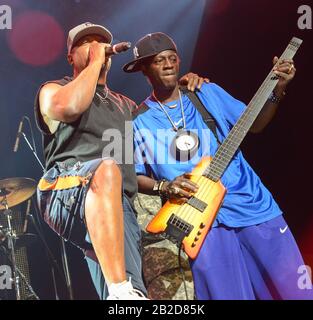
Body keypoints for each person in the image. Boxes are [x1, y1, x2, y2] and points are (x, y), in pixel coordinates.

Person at [124, 32, 313, 299]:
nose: (168, 65)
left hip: (253, 206)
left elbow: (255, 124)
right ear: (144, 69)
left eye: (172, 58)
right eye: (158, 61)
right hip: (202, 226)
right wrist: (165, 186)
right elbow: (133, 177)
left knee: (295, 292)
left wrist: (279, 88)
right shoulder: (137, 121)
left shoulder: (204, 92)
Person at [34, 23, 204, 300]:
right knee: (107, 169)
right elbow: (69, 108)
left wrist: (183, 89)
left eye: (101, 43)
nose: (96, 47)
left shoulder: (126, 106)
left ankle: (121, 291)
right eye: (86, 43)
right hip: (66, 189)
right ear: (70, 57)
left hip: (117, 205)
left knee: (131, 292)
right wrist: (96, 61)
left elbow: (154, 149)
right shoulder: (55, 89)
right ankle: (119, 288)